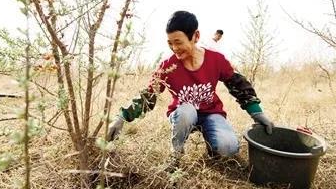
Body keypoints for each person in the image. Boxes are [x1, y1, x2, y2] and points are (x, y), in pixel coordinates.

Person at [106, 11, 274, 172]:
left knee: (228, 148)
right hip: (183, 116)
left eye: (178, 42)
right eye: (170, 43)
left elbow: (239, 85)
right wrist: (122, 116)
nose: (174, 48)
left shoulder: (216, 60)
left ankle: (214, 147)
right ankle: (176, 155)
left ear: (196, 36)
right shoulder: (168, 66)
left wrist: (257, 113)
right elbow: (149, 94)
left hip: (211, 113)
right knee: (187, 110)